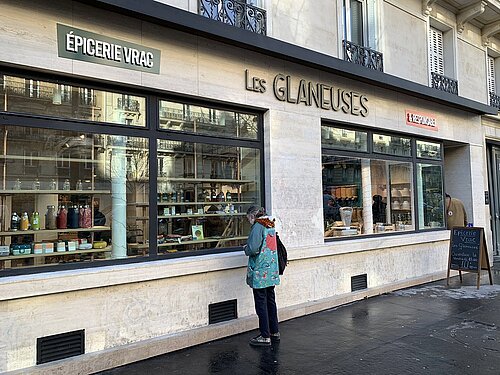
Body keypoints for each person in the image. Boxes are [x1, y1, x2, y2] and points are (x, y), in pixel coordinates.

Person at [244, 205, 280, 347]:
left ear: (253, 216)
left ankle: (265, 335)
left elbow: (253, 248)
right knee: (271, 301)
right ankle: (274, 331)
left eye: (249, 219)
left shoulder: (258, 226)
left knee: (261, 303)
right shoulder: (270, 224)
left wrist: (245, 249)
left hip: (260, 271)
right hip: (271, 270)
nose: (249, 222)